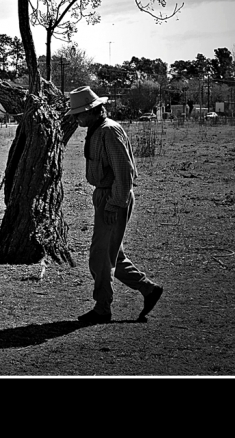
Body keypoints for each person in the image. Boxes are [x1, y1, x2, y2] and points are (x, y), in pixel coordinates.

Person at [67, 86, 163, 324]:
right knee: (112, 255)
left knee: (100, 256)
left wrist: (114, 204)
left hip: (113, 197)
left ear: (94, 110)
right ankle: (148, 289)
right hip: (105, 195)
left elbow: (124, 172)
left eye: (79, 113)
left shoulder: (109, 131)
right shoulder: (96, 129)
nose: (76, 117)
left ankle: (102, 308)